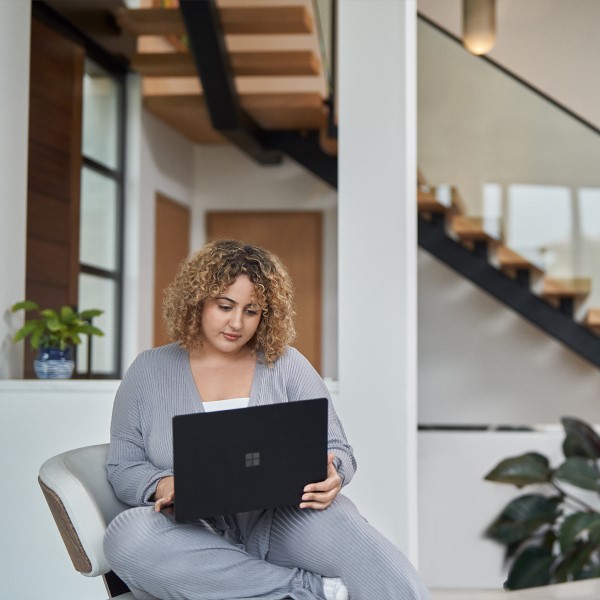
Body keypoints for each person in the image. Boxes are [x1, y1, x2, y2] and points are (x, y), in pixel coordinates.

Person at [104, 239, 431, 600]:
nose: (236, 323)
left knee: (384, 569)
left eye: (251, 311)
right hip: (190, 529)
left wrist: (335, 474)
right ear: (196, 301)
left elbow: (337, 447)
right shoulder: (149, 370)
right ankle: (306, 592)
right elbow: (123, 464)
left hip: (289, 517)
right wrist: (163, 484)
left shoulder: (286, 364)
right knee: (127, 536)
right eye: (225, 306)